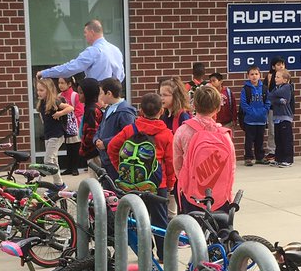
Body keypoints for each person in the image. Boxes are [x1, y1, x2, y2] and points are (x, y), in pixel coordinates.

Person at [107, 92, 175, 251]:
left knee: (137, 216)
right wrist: (170, 183)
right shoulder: (166, 134)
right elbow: (171, 162)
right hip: (158, 183)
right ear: (161, 111)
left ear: (141, 111)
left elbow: (112, 147)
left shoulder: (130, 129)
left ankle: (144, 251)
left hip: (132, 181)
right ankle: (164, 254)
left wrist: (121, 169)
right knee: (160, 220)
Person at [174, 83, 236, 213]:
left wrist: (185, 185)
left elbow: (177, 164)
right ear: (218, 108)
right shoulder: (224, 135)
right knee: (220, 232)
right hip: (219, 198)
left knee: (192, 231)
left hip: (191, 196)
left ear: (194, 105)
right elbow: (232, 168)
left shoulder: (183, 131)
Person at [40, 19, 125, 83]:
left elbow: (70, 68)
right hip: (114, 100)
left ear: (92, 32)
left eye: (85, 32)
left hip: (97, 99)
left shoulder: (93, 51)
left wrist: (45, 73)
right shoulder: (116, 50)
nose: (84, 35)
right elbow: (121, 76)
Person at [93, 78, 136, 180]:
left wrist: (106, 143)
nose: (100, 96)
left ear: (109, 93)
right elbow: (100, 127)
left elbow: (128, 135)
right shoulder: (109, 108)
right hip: (106, 157)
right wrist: (96, 139)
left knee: (116, 189)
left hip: (117, 159)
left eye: (101, 93)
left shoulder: (125, 112)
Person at [36, 75, 72, 171]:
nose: (38, 92)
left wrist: (59, 113)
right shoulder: (41, 103)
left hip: (57, 135)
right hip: (48, 135)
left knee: (48, 160)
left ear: (49, 90)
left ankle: (41, 178)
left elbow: (70, 108)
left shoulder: (55, 101)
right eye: (38, 90)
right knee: (54, 161)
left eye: (41, 90)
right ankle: (59, 184)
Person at [239, 65, 270, 166]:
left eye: (256, 74)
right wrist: (252, 112)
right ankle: (248, 158)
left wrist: (263, 111)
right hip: (250, 119)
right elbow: (243, 104)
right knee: (249, 140)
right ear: (248, 76)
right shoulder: (245, 89)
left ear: (260, 75)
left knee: (260, 140)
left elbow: (268, 102)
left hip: (261, 119)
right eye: (252, 74)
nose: (254, 76)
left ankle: (260, 157)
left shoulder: (264, 89)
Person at [268, 67, 294, 167]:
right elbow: (270, 96)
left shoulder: (287, 87)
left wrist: (275, 98)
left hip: (285, 117)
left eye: (278, 77)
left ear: (285, 79)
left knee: (285, 139)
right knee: (278, 139)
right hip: (276, 117)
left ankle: (288, 159)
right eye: (275, 77)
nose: (275, 78)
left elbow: (275, 95)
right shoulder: (276, 87)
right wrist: (279, 101)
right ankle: (279, 158)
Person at [57, 76, 83, 176]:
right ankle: (69, 167)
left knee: (75, 147)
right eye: (59, 83)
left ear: (69, 84)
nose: (60, 85)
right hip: (65, 126)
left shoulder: (74, 95)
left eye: (63, 83)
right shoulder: (59, 96)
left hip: (74, 125)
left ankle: (75, 168)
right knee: (68, 147)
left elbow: (80, 110)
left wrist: (70, 117)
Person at [78, 77, 103, 165]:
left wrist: (86, 146)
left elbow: (92, 131)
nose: (78, 95)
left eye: (81, 93)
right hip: (93, 151)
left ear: (88, 94)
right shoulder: (90, 108)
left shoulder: (91, 110)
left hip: (93, 152)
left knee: (95, 177)